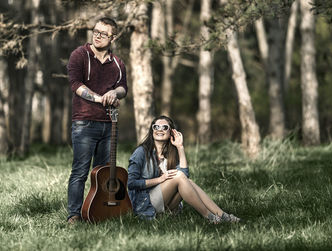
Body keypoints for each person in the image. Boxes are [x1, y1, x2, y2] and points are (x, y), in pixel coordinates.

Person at [66, 17, 127, 224]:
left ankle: (97, 213)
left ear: (113, 37)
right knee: (80, 172)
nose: (98, 36)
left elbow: (123, 88)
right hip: (84, 123)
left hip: (109, 125)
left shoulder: (117, 63)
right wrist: (100, 98)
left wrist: (114, 93)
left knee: (102, 174)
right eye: (96, 31)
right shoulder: (79, 55)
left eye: (103, 33)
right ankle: (74, 215)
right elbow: (76, 85)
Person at [127, 116, 240, 223]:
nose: (159, 129)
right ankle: (209, 216)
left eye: (164, 127)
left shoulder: (169, 154)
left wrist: (180, 147)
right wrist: (160, 179)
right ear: (152, 130)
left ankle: (222, 215)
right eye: (156, 127)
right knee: (179, 176)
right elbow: (131, 183)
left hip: (162, 203)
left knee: (188, 181)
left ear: (171, 131)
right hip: (143, 204)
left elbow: (184, 177)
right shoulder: (141, 152)